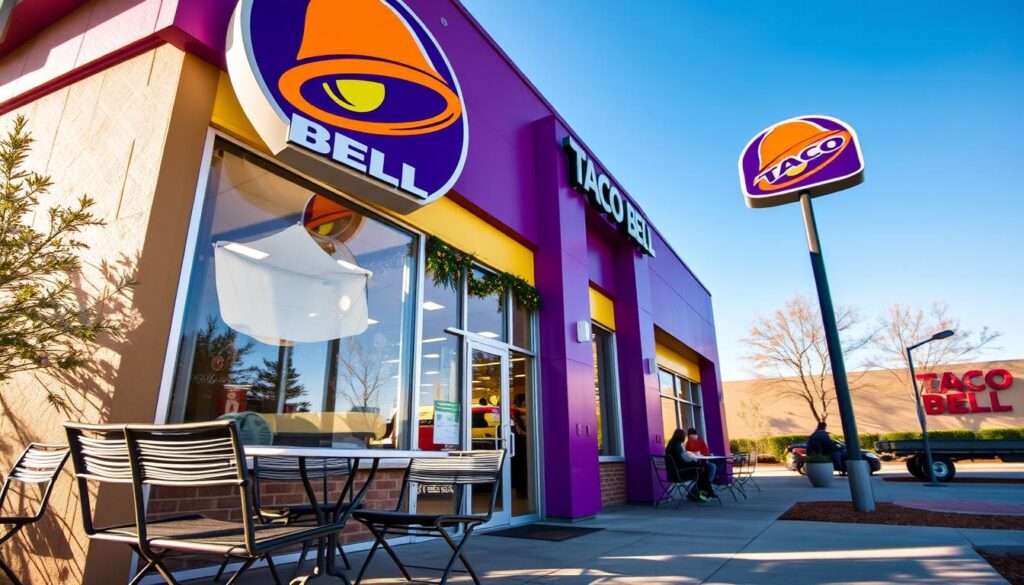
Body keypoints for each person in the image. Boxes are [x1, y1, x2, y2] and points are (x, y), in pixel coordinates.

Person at [665, 429, 714, 502]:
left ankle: (702, 491)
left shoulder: (671, 444)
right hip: (680, 474)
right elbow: (686, 458)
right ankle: (700, 491)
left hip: (673, 473)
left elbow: (682, 457)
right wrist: (695, 457)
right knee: (704, 469)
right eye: (685, 436)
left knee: (705, 468)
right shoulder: (677, 446)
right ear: (682, 437)